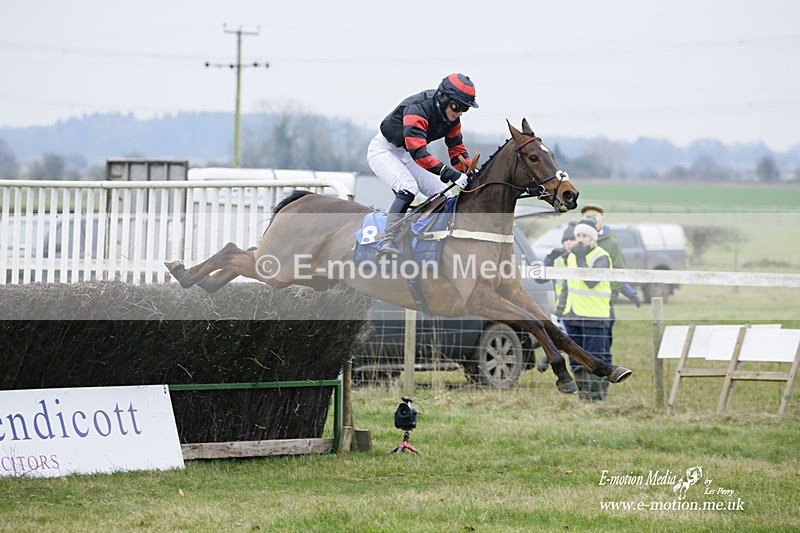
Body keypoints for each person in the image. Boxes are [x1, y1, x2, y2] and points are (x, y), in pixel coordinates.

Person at [367, 73, 479, 256]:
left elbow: (456, 149)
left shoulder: (453, 119)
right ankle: (387, 240)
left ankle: (434, 239)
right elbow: (419, 154)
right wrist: (453, 175)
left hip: (407, 153)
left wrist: (468, 170)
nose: (458, 113)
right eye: (456, 106)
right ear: (443, 98)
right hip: (384, 151)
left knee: (445, 194)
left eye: (464, 109)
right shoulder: (417, 110)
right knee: (408, 187)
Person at [559, 217, 613, 402]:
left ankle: (597, 398)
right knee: (576, 360)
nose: (580, 239)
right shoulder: (573, 256)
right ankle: (584, 396)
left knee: (595, 358)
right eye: (578, 235)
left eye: (585, 236)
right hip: (573, 315)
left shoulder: (601, 256)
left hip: (594, 316)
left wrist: (581, 258)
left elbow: (591, 281)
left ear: (593, 238)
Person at [579, 205, 640, 365]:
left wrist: (611, 298)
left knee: (602, 346)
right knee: (579, 347)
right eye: (587, 216)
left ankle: (603, 383)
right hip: (579, 305)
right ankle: (585, 386)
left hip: (602, 304)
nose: (591, 218)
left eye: (594, 215)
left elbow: (619, 273)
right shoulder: (578, 241)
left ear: (602, 219)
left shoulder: (611, 242)